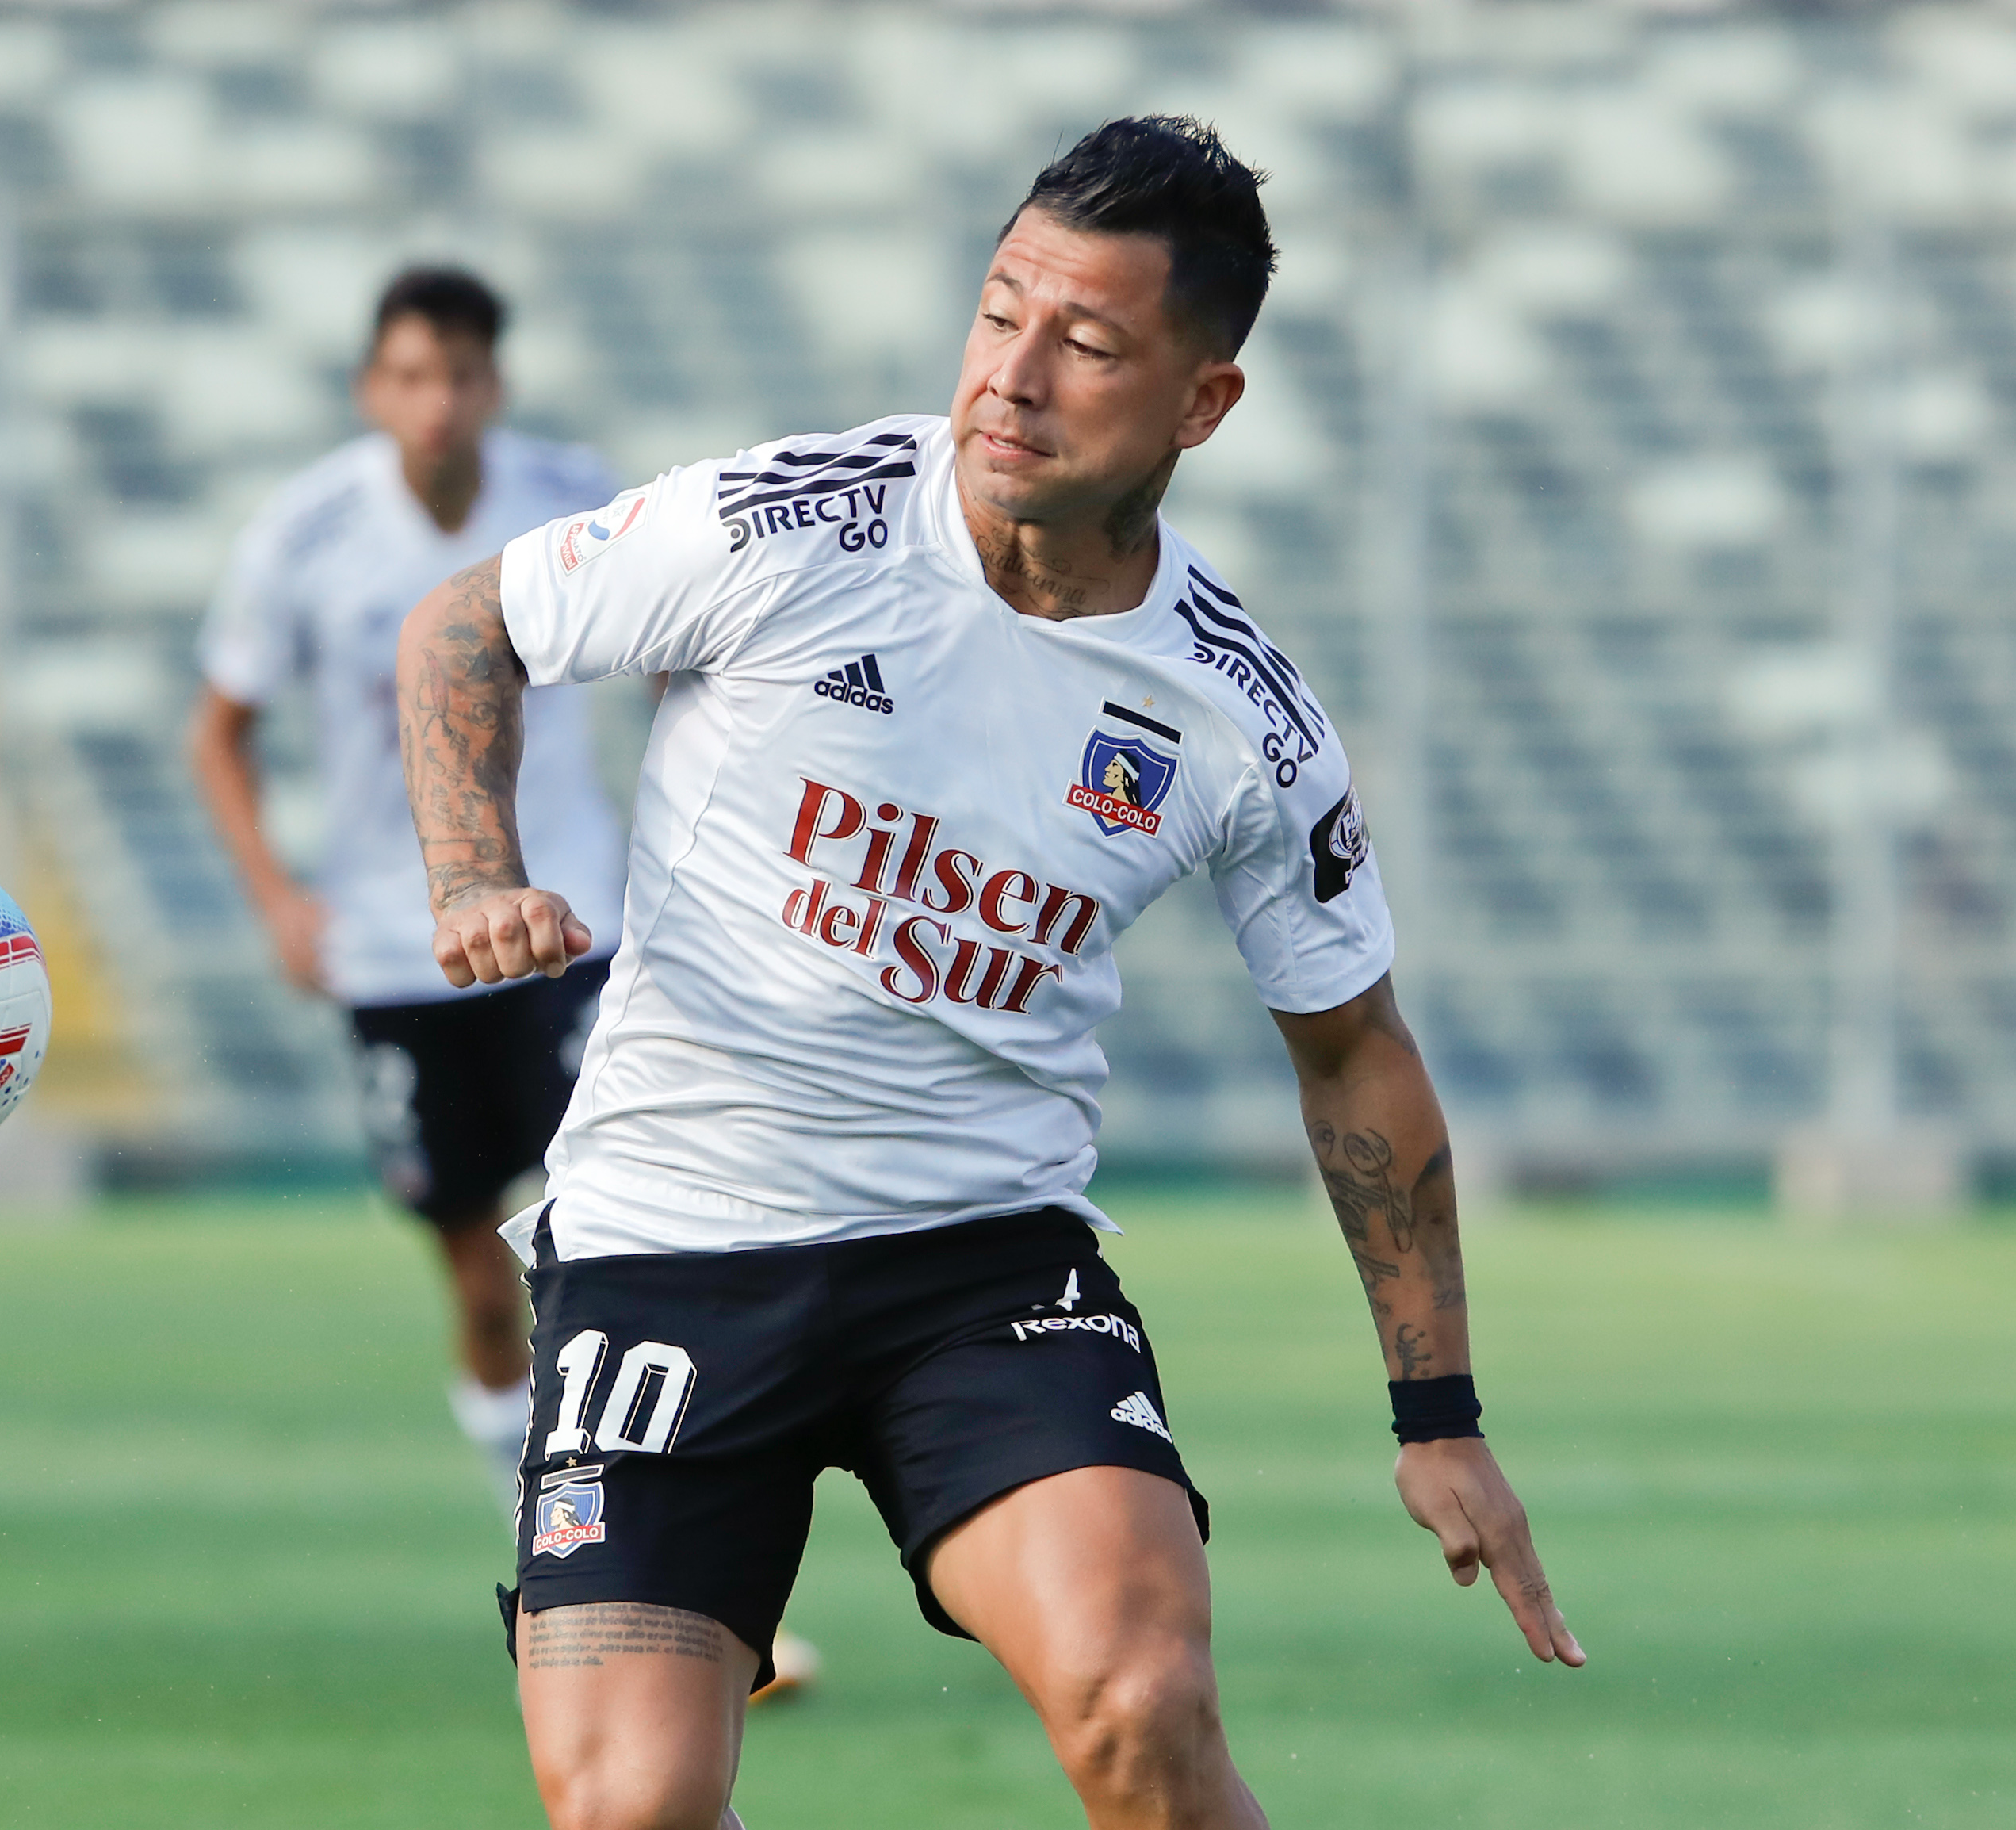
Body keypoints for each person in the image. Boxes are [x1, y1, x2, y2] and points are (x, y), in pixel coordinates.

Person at [395, 118, 1584, 1830]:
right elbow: (467, 622)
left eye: (1087, 342)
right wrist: (473, 872)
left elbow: (1354, 1051)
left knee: (1146, 1702)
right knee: (631, 1807)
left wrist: (1439, 1411)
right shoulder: (792, 523)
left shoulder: (1241, 716)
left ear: (1203, 404)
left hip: (978, 1270)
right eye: (998, 310)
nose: (1012, 375)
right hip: (669, 1247)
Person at [192, 267, 629, 1499]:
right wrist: (281, 901)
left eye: (457, 376)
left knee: (613, 1233)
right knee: (482, 1279)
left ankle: (638, 1537)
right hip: (400, 947)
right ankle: (535, 1519)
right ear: (368, 388)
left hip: (571, 922)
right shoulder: (306, 531)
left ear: (495, 385)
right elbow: (217, 728)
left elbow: (677, 671)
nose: (435, 404)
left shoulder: (572, 502)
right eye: (409, 377)